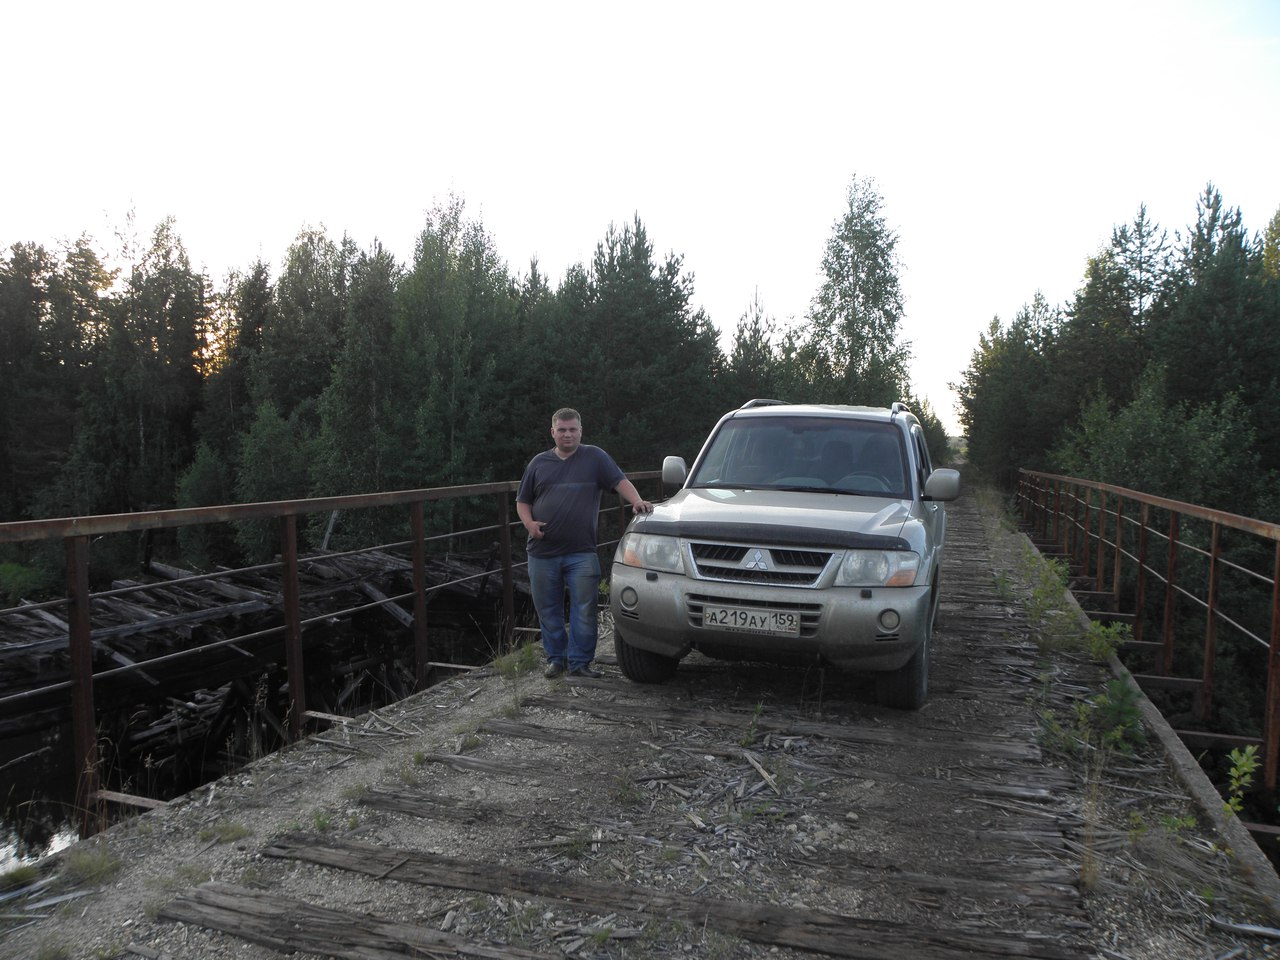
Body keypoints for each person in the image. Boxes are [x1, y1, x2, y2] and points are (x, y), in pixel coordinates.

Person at [516, 408, 653, 679]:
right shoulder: (538, 463)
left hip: (581, 552)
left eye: (573, 429)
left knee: (584, 609)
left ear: (580, 431)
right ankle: (557, 660)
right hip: (542, 553)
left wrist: (636, 501)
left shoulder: (595, 457)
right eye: (562, 430)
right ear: (553, 432)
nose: (568, 434)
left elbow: (619, 481)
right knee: (549, 609)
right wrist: (530, 524)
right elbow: (523, 502)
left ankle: (580, 663)